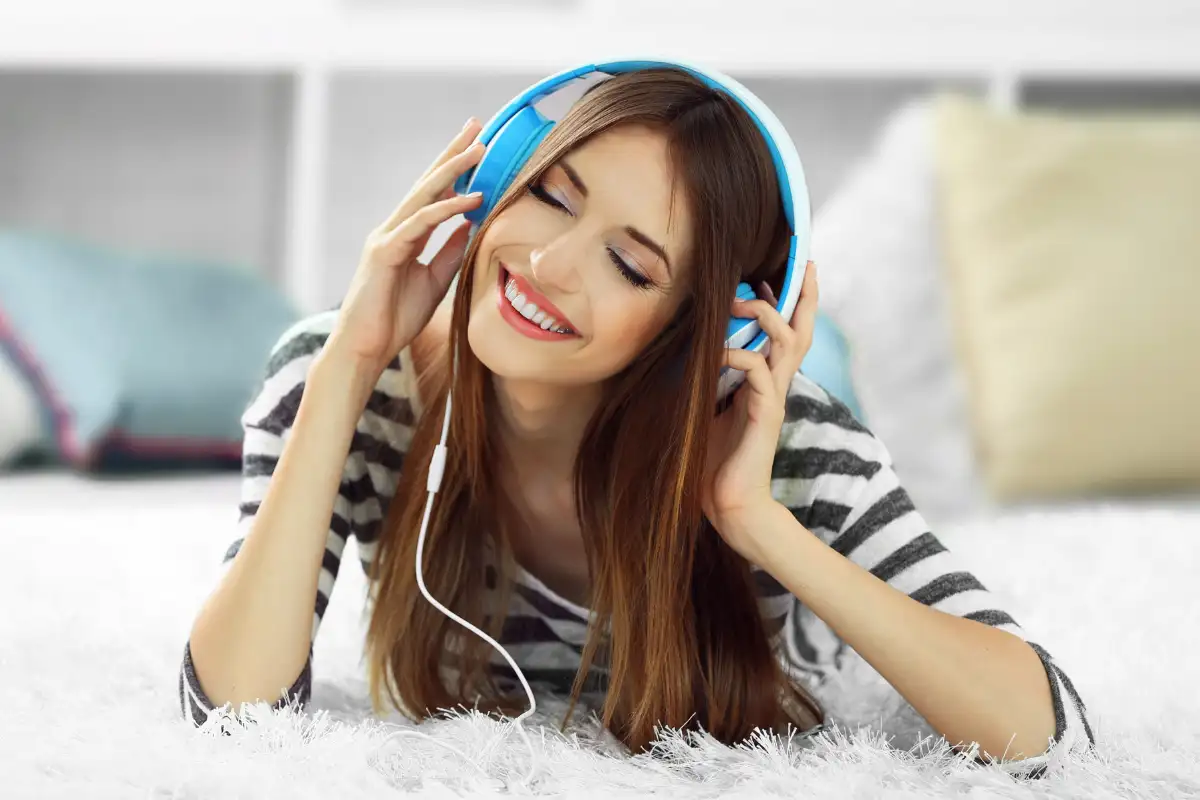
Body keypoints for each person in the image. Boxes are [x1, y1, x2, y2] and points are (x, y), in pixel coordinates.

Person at [178, 67, 1094, 776]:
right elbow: (231, 713)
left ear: (709, 325)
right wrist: (350, 361)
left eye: (631, 263)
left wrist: (755, 522)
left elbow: (1051, 735)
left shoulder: (801, 452)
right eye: (551, 195)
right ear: (498, 175)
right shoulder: (347, 377)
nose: (546, 261)